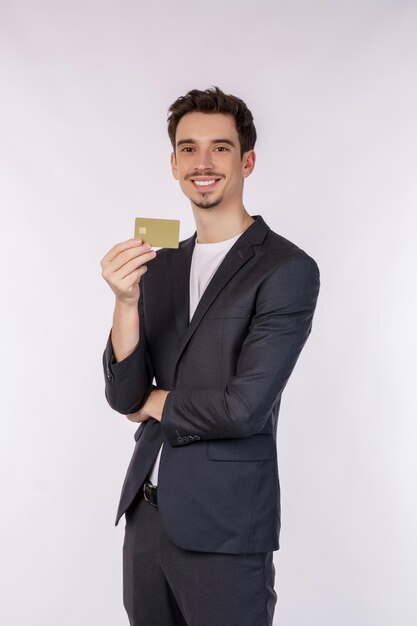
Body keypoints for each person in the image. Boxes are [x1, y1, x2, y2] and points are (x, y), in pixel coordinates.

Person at [100, 86, 320, 626]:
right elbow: (122, 396)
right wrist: (126, 302)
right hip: (146, 521)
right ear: (173, 163)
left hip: (225, 527)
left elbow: (243, 407)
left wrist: (154, 401)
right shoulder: (163, 264)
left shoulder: (286, 269)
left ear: (246, 160)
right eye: (189, 148)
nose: (203, 163)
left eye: (220, 148)